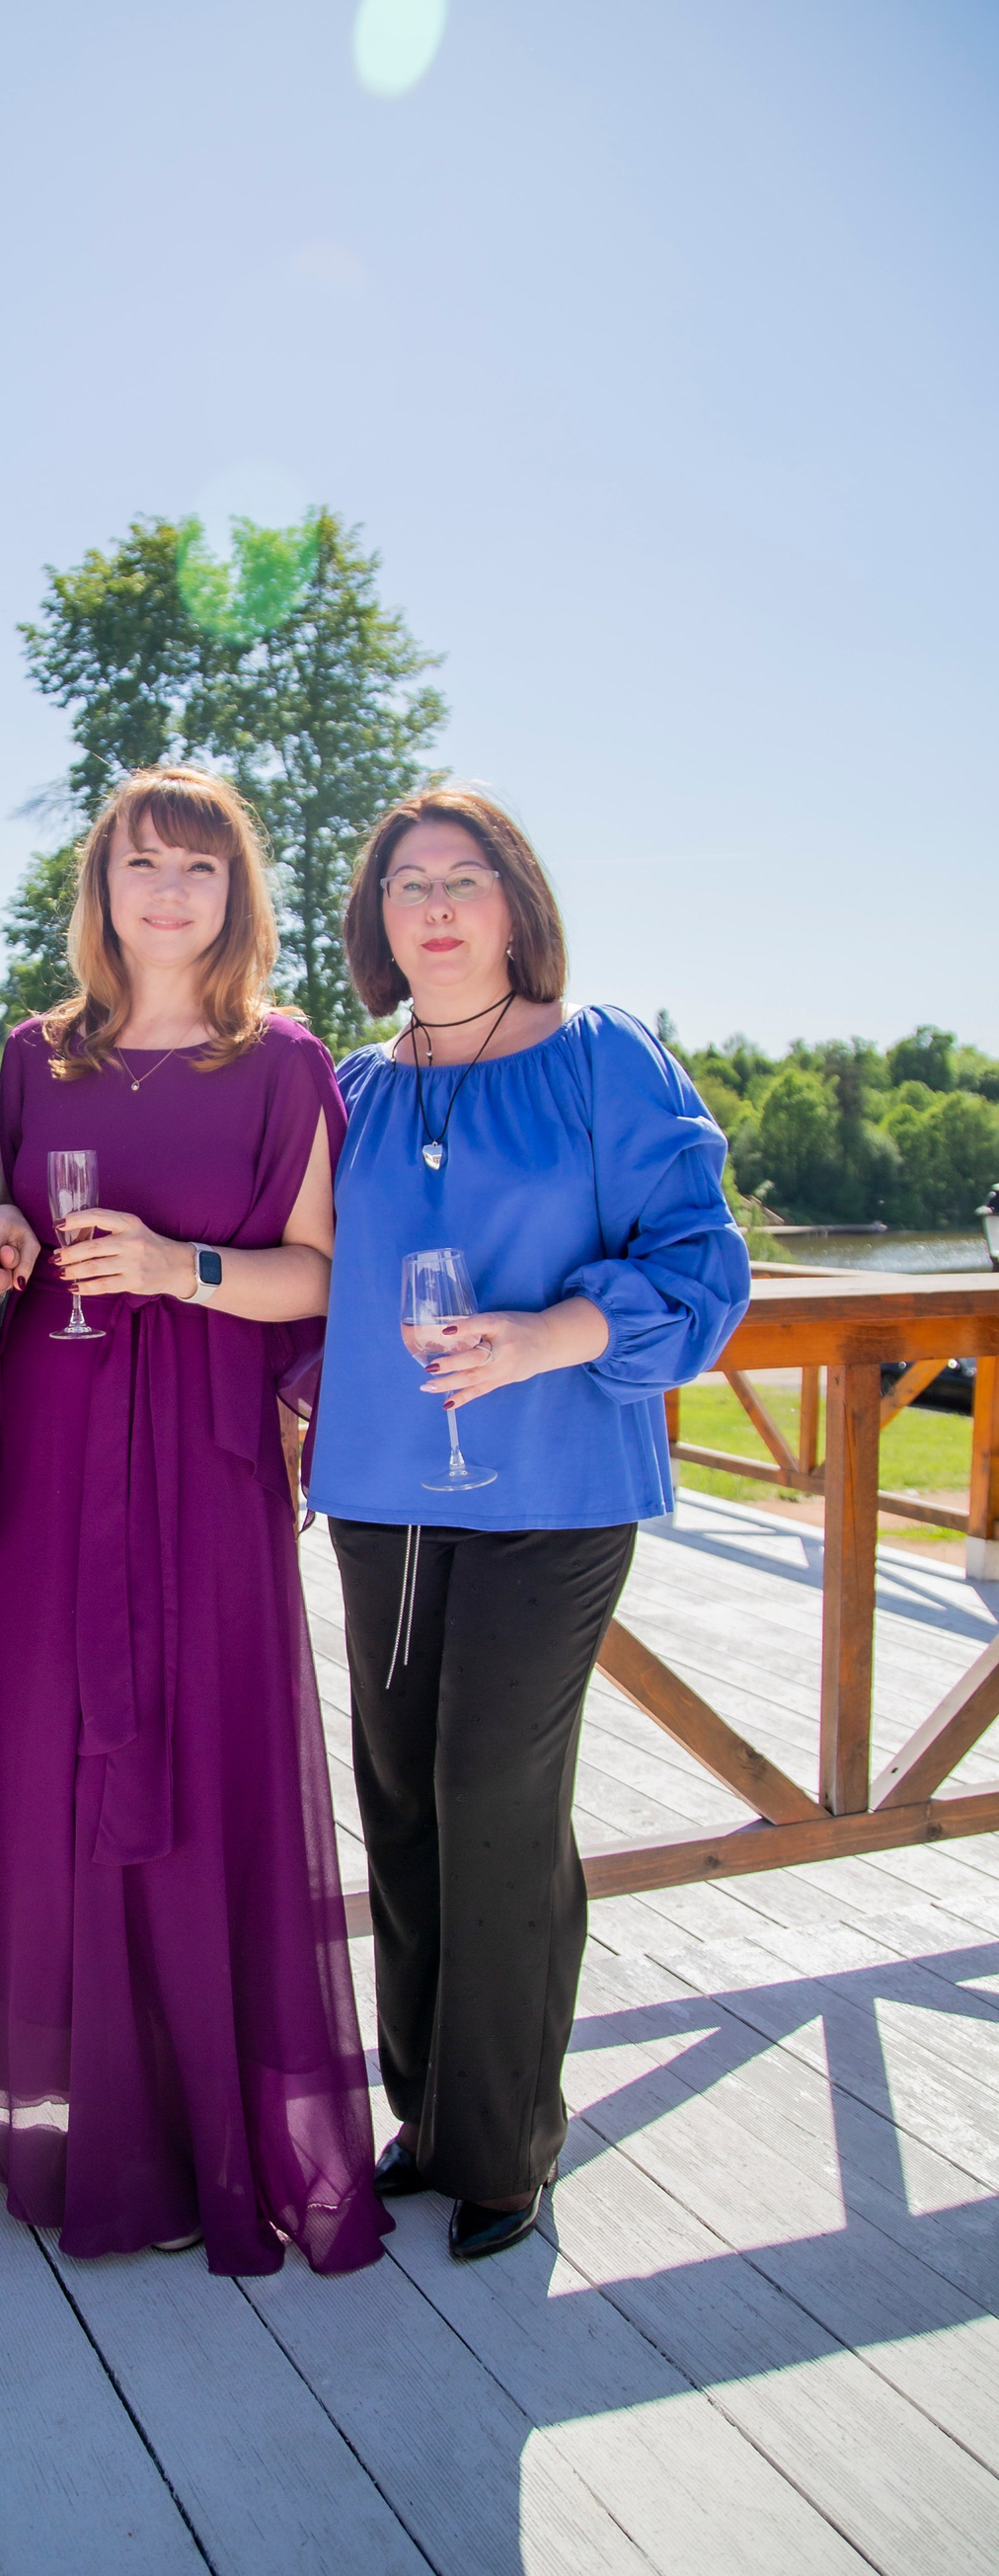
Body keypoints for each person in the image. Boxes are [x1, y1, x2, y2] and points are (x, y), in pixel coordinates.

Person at [0, 768, 389, 2279]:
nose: (169, 891)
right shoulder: (35, 1056)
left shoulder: (283, 1062)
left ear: (238, 895)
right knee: (41, 1761)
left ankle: (193, 2120)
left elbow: (325, 1276)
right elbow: (14, 1225)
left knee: (200, 1754)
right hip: (44, 1441)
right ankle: (58, 2116)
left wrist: (183, 1271)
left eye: (200, 868)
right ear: (99, 888)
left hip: (206, 1458)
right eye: (142, 864)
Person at [309, 787, 749, 2263]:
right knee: (402, 1798)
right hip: (385, 1496)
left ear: (517, 905)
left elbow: (702, 1264)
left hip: (556, 1495)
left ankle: (504, 2147)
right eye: (406, 883)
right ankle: (425, 2116)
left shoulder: (601, 1056)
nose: (435, 906)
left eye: (466, 878)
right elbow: (300, 1274)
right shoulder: (353, 1092)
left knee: (494, 1793)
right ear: (376, 919)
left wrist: (547, 1336)